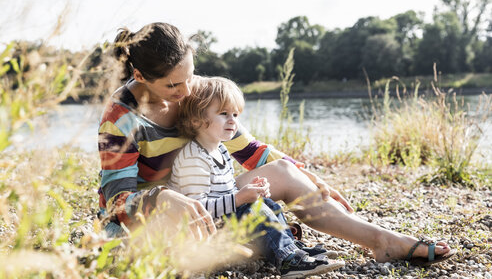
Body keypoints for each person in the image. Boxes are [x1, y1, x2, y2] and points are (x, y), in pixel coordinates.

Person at [97, 22, 455, 267]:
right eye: (174, 86)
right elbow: (117, 204)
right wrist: (163, 197)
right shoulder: (120, 119)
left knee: (284, 171)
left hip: (205, 198)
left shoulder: (196, 89)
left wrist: (306, 175)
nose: (188, 92)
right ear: (140, 76)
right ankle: (246, 246)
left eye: (190, 76)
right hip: (154, 216)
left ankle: (380, 240)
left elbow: (248, 150)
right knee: (160, 252)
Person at [166, 76, 345, 277]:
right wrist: (240, 198)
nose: (233, 120)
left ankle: (292, 248)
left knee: (268, 204)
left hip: (224, 218)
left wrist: (251, 191)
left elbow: (227, 190)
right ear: (196, 119)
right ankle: (288, 261)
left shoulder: (221, 150)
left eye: (235, 114)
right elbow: (196, 210)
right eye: (224, 114)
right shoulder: (194, 157)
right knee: (254, 209)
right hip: (206, 229)